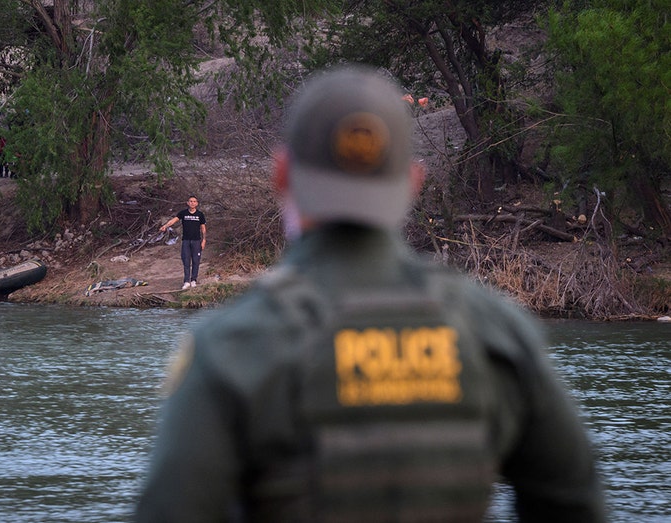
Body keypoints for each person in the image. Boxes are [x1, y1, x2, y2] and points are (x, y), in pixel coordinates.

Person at [136, 65, 606, 522]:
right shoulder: (498, 333)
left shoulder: (230, 348)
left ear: (283, 174)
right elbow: (576, 501)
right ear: (413, 183)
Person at [159, 196, 206, 289]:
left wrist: (204, 240)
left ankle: (193, 280)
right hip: (186, 241)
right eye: (190, 201)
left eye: (194, 201)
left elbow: (203, 228)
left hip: (196, 241)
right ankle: (186, 281)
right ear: (187, 203)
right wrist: (165, 226)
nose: (192, 203)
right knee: (186, 260)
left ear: (197, 203)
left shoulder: (200, 214)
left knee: (196, 261)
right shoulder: (183, 213)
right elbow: (174, 220)